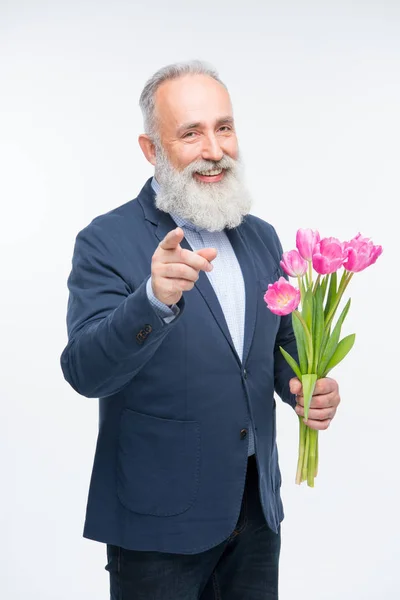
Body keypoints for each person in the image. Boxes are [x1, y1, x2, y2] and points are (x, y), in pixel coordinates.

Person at [60, 60, 341, 600]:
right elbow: (85, 371)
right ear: (152, 150)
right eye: (191, 133)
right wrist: (152, 300)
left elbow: (278, 349)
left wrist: (302, 387)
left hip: (255, 509)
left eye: (224, 127)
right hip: (159, 521)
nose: (214, 149)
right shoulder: (105, 240)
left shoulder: (260, 237)